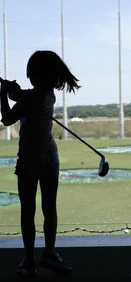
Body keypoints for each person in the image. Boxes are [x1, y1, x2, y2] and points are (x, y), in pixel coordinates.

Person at [0, 50, 80, 276]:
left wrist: (2, 93)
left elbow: (7, 118)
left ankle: (28, 261)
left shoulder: (33, 97)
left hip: (30, 157)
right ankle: (50, 254)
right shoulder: (48, 94)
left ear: (34, 73)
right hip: (50, 157)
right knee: (49, 208)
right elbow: (22, 97)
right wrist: (12, 91)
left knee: (28, 210)